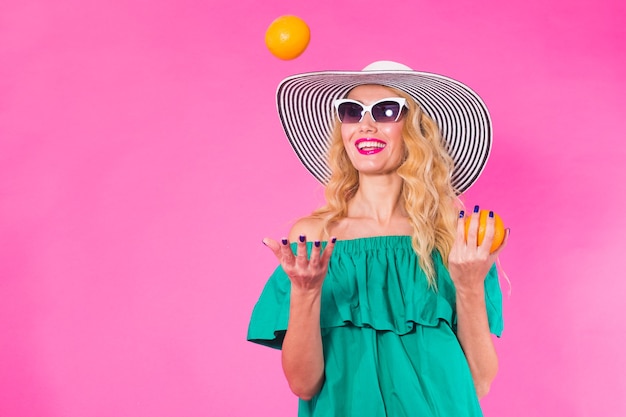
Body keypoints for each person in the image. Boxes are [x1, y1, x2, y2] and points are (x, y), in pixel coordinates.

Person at [247, 60, 509, 416]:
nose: (365, 125)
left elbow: (479, 382)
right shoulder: (316, 238)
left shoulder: (452, 238)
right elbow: (303, 384)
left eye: (386, 111)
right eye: (352, 112)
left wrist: (469, 285)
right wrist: (306, 293)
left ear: (416, 128)